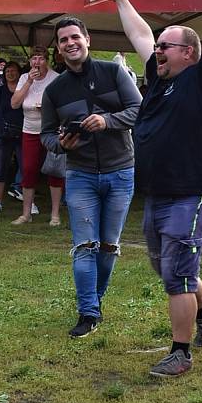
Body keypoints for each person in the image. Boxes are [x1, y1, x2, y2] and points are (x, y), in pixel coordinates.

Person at [109, 0, 202, 379]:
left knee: (178, 273)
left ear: (188, 51)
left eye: (166, 46)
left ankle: (181, 351)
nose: (156, 52)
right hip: (159, 192)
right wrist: (121, 0)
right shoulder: (160, 77)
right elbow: (140, 35)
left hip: (193, 190)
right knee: (166, 266)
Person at [41, 17, 141, 338]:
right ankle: (87, 313)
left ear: (87, 39)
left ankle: (93, 303)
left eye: (74, 37)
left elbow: (139, 110)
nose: (70, 43)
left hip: (120, 171)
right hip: (80, 174)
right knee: (84, 245)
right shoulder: (55, 90)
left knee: (109, 247)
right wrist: (60, 143)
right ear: (58, 49)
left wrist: (108, 120)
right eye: (63, 40)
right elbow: (45, 134)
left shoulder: (113, 72)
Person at [10, 46, 63, 225]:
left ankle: (55, 215)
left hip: (51, 131)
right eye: (34, 59)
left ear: (46, 61)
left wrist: (48, 110)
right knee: (29, 170)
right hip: (29, 131)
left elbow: (63, 106)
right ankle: (26, 214)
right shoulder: (25, 78)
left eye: (40, 58)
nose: (36, 62)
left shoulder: (56, 78)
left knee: (54, 171)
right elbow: (15, 104)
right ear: (30, 61)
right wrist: (28, 83)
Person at [0, 61, 24, 213]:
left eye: (13, 71)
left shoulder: (24, 89)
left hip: (22, 132)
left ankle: (28, 201)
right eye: (7, 71)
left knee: (26, 167)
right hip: (3, 133)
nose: (10, 74)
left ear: (19, 73)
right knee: (0, 168)